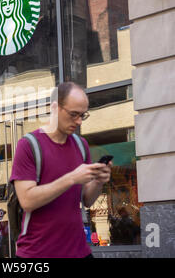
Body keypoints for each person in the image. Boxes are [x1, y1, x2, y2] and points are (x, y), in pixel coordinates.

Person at [10, 82, 112, 258]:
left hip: (79, 251)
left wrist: (98, 181)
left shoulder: (81, 145)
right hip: (37, 254)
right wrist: (71, 178)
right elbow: (27, 200)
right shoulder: (28, 145)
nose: (78, 121)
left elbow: (87, 200)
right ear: (55, 107)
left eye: (82, 115)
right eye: (73, 114)